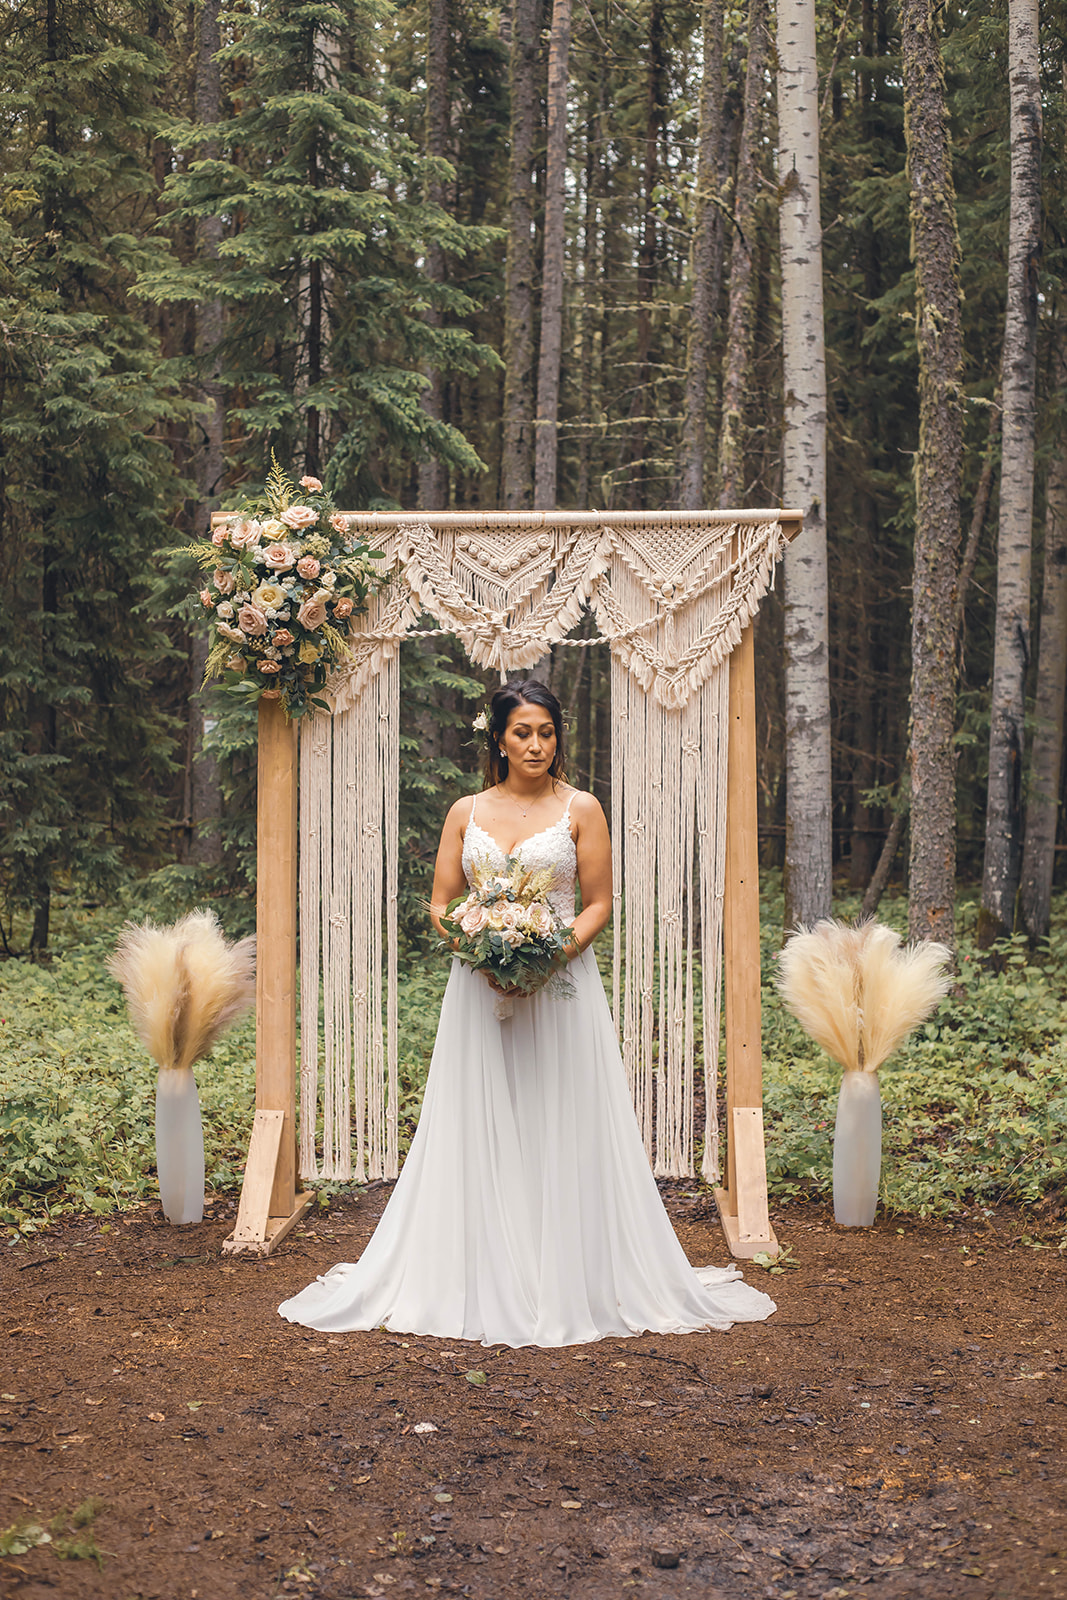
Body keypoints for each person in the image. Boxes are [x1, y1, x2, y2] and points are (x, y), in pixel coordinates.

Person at [278, 680, 775, 1347]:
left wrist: (545, 959)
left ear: (557, 737)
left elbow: (598, 901)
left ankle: (566, 1272)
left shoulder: (581, 808)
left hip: (561, 988)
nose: (535, 744)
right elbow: (440, 902)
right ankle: (479, 1267)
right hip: (478, 990)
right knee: (479, 1115)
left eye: (545, 732)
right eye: (522, 733)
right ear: (499, 739)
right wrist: (481, 953)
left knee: (558, 1113)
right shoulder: (467, 810)